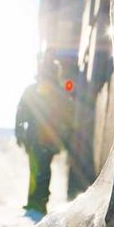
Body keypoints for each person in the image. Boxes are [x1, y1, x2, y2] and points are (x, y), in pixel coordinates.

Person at [15, 63, 71, 216]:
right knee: (41, 169)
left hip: (41, 138)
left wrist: (19, 132)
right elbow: (66, 117)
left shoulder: (35, 91)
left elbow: (21, 113)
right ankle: (37, 201)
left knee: (38, 168)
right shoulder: (57, 92)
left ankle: (37, 201)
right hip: (44, 138)